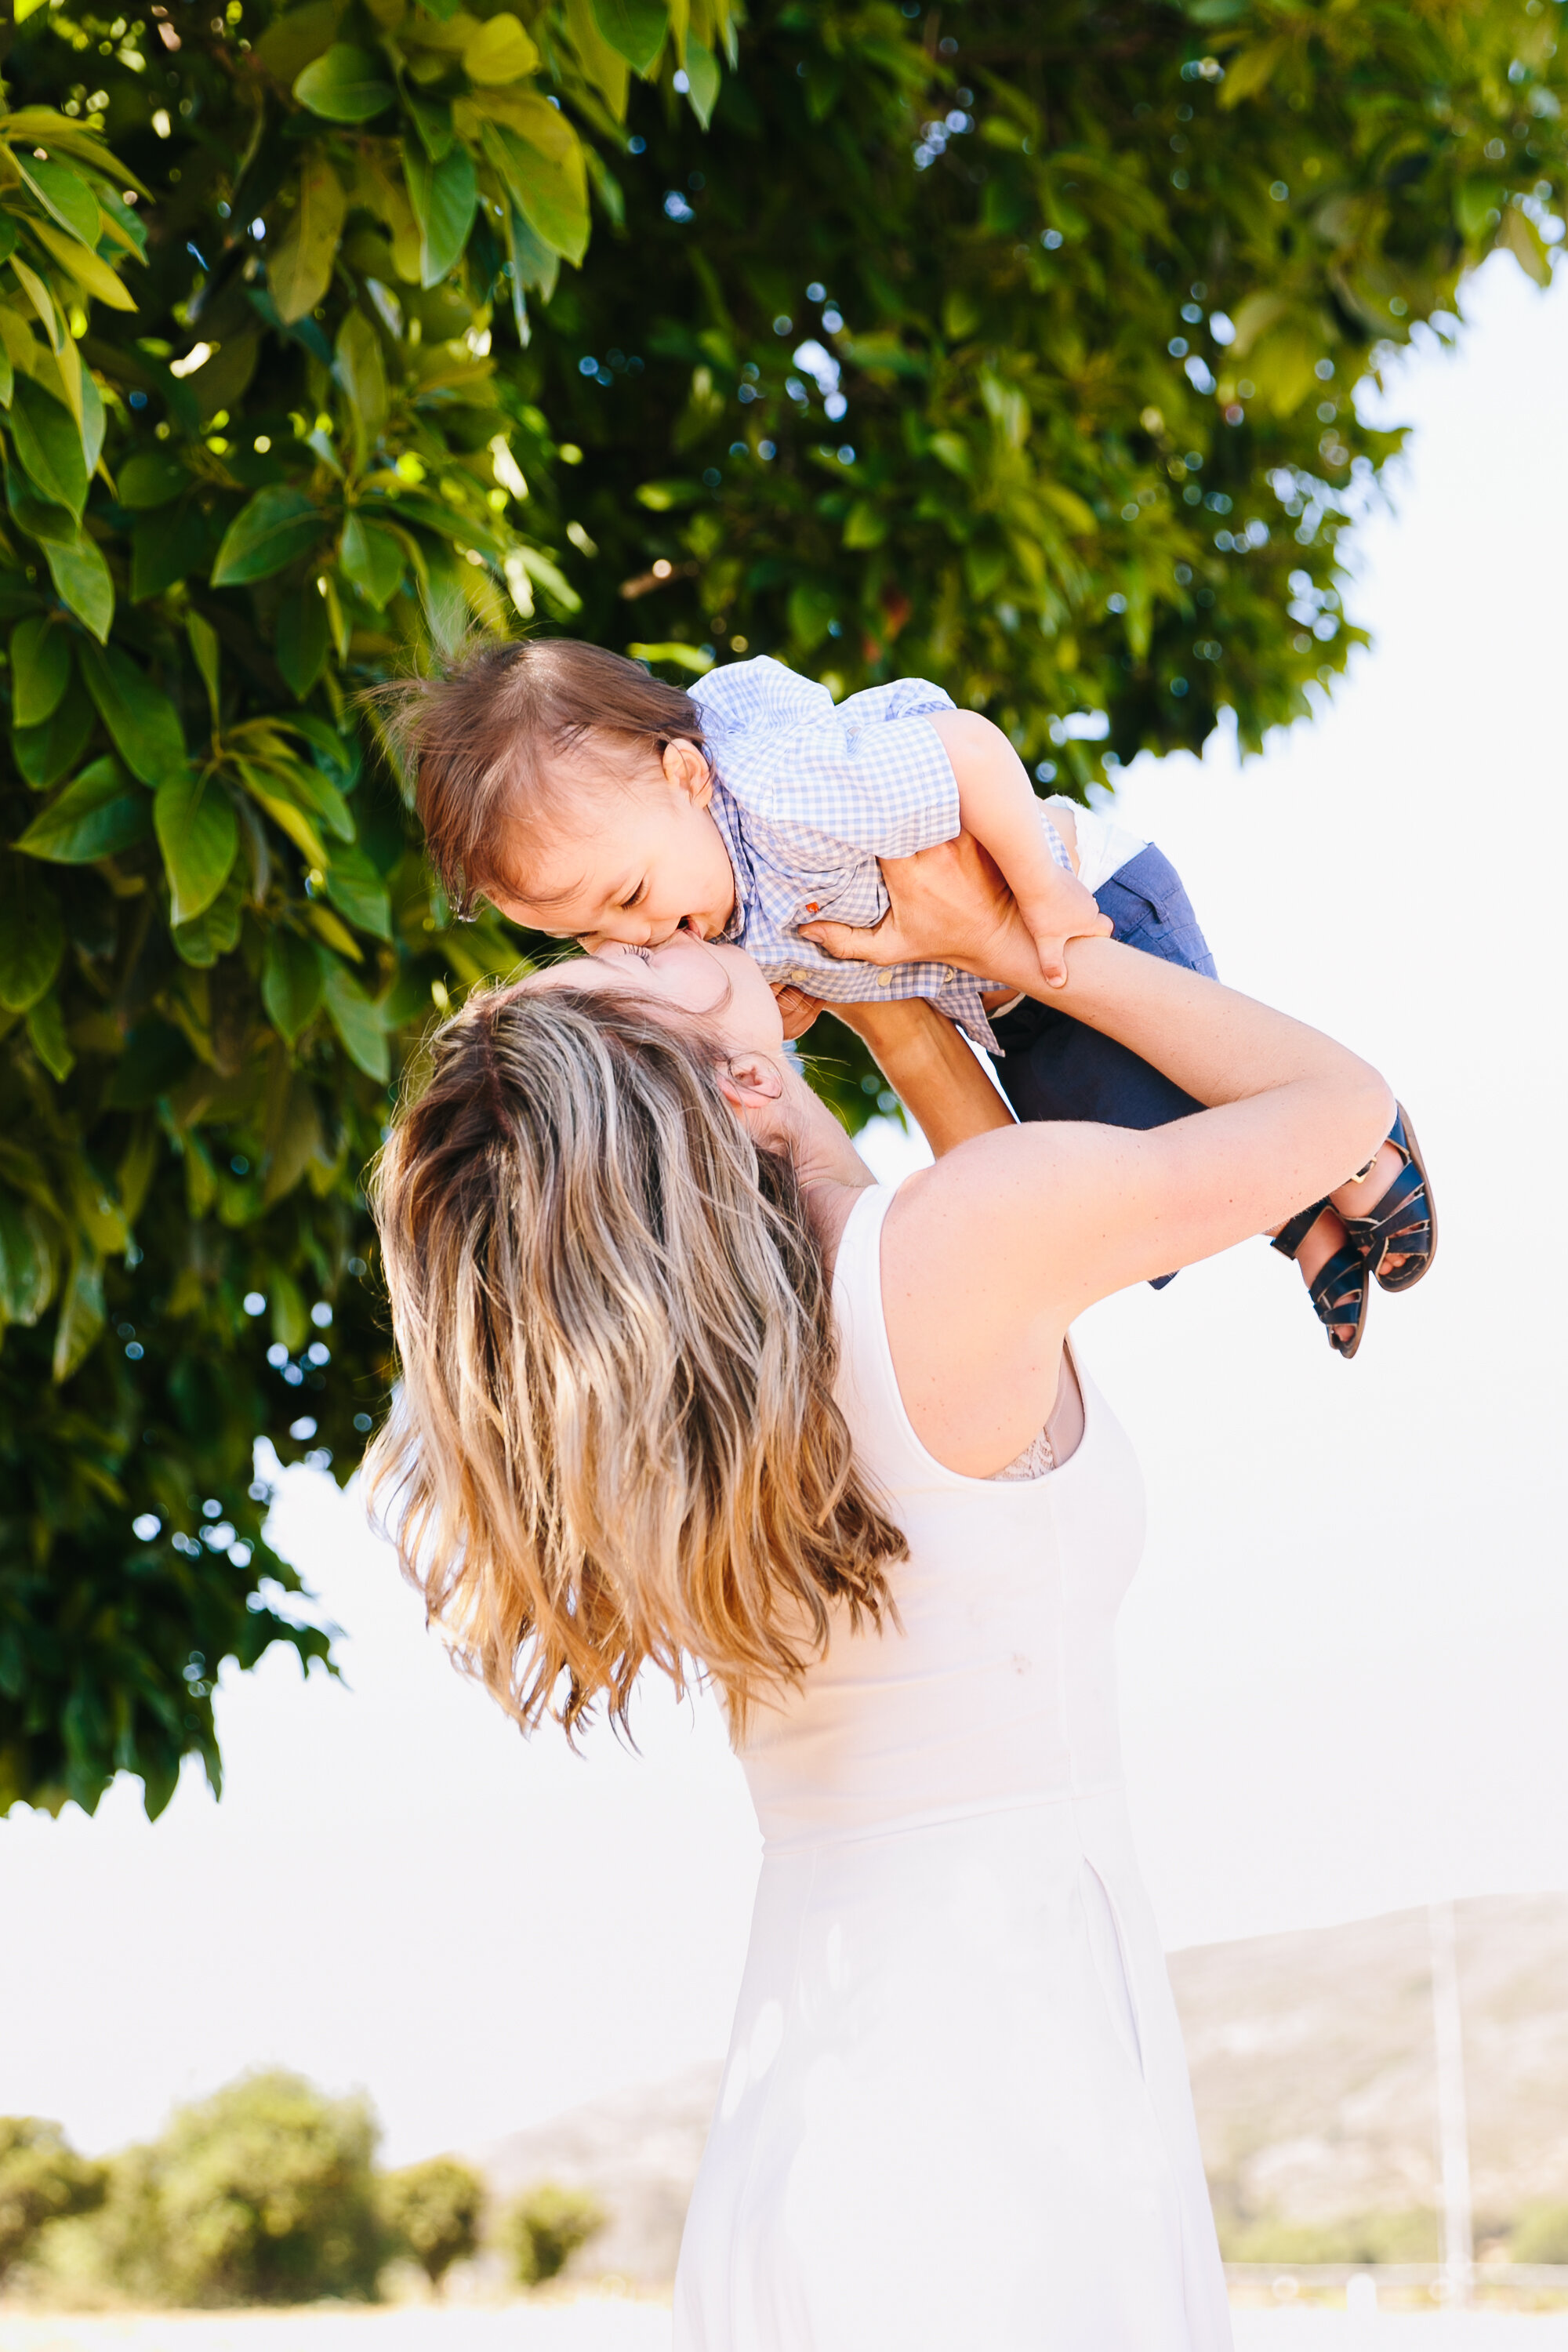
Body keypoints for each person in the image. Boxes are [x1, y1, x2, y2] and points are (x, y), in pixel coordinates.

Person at [365, 826, 1395, 2350]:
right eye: (624, 960)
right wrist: (1015, 948)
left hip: (828, 2094)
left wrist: (886, 1018)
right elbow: (1338, 1112)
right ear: (728, 1087)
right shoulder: (936, 1267)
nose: (642, 926)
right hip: (992, 2100)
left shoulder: (773, 1369)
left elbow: (981, 1220)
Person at [383, 638, 1435, 1357]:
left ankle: (1355, 1154)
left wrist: (1043, 894)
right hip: (1003, 999)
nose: (637, 938)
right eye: (593, 935)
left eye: (630, 898)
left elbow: (968, 749)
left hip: (1082, 910)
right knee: (1118, 1164)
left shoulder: (792, 795)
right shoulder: (711, 898)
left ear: (688, 779)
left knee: (1173, 1135)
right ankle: (1303, 1219)